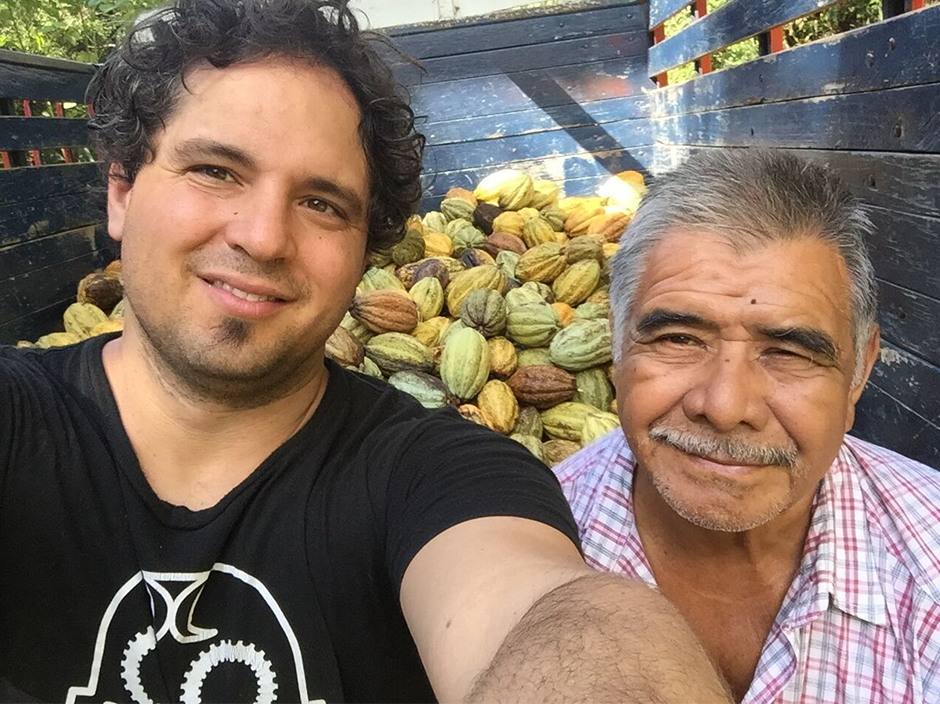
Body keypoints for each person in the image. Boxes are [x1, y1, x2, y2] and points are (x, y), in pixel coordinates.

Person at [0, 1, 732, 702]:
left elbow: (548, 614)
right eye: (216, 170)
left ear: (364, 253)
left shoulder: (440, 474)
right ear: (121, 191)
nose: (262, 236)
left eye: (322, 203)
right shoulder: (17, 418)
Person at [554, 148, 940, 704]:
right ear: (616, 344)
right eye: (678, 339)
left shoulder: (926, 564)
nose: (726, 405)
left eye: (789, 351)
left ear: (859, 370)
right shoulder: (523, 554)